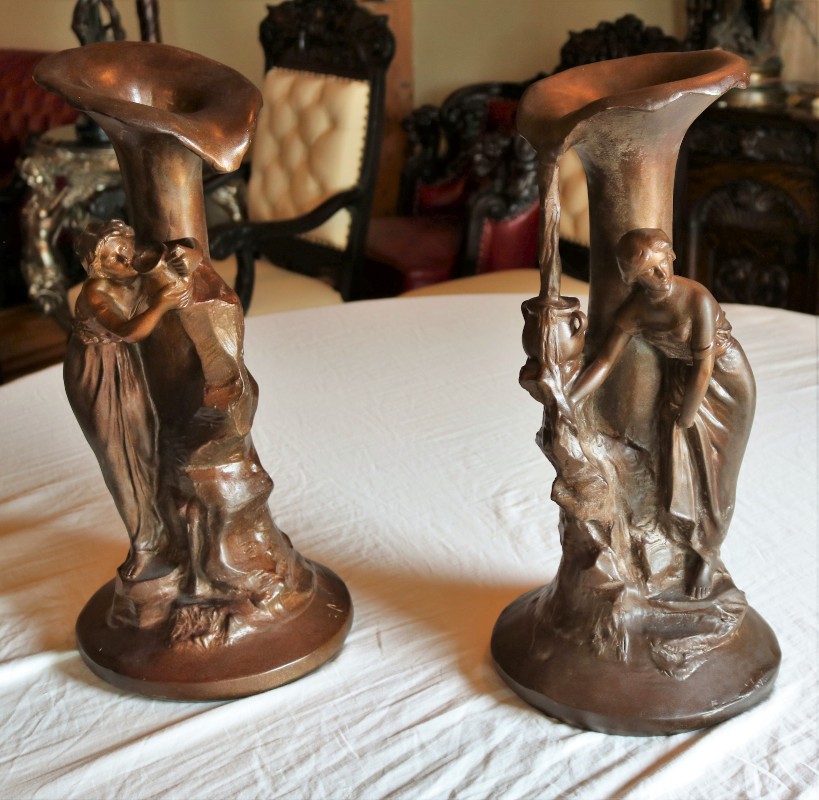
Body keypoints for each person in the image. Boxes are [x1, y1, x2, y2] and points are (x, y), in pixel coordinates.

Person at [570, 228, 756, 599]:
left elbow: (704, 365)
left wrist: (688, 414)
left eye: (662, 265)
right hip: (681, 382)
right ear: (634, 277)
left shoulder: (697, 298)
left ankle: (708, 555)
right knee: (683, 470)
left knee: (719, 473)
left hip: (724, 380)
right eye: (648, 272)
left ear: (671, 257)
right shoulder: (636, 310)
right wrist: (570, 398)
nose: (660, 275)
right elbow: (605, 360)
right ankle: (683, 546)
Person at [65, 219, 192, 581]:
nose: (124, 260)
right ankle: (144, 544)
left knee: (147, 445)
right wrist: (163, 303)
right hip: (96, 374)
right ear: (95, 266)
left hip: (126, 364)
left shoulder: (133, 271)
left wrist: (184, 259)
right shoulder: (95, 294)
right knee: (118, 457)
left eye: (125, 249)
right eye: (112, 257)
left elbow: (185, 250)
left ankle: (168, 533)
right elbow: (130, 331)